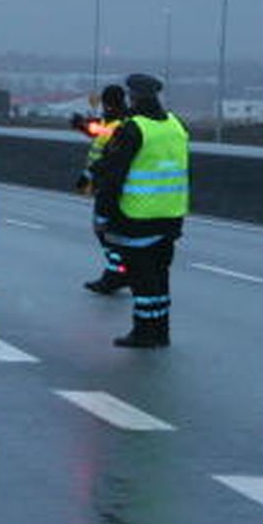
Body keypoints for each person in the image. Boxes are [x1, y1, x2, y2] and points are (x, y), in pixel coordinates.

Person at [89, 72, 189, 348]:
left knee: (143, 281)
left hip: (137, 218)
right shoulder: (176, 125)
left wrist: (102, 216)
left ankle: (144, 333)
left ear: (133, 97)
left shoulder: (132, 129)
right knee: (160, 277)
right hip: (171, 216)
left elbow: (112, 175)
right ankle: (160, 331)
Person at [73, 84, 130, 294]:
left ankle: (117, 273)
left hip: (109, 184)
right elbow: (99, 131)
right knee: (108, 230)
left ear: (109, 103)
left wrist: (87, 176)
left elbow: (107, 151)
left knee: (105, 230)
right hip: (105, 183)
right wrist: (82, 125)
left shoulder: (119, 124)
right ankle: (117, 271)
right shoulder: (115, 121)